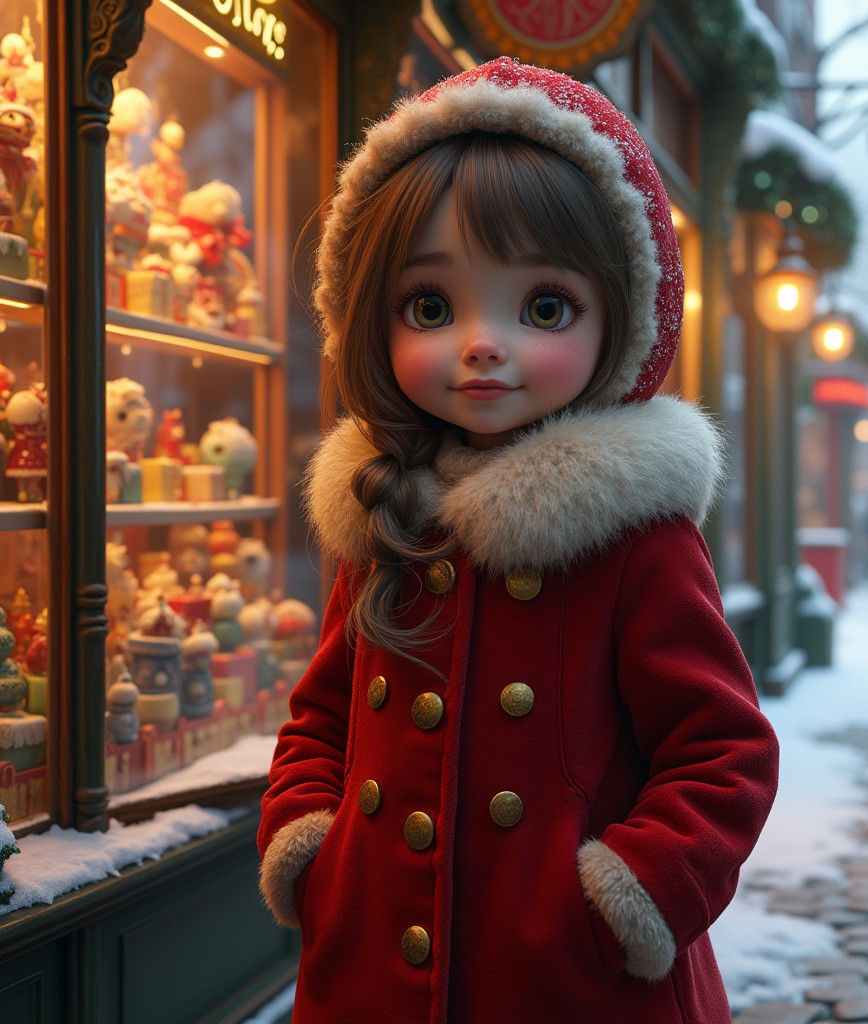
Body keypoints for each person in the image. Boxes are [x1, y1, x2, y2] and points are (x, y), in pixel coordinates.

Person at [256, 58, 779, 1024]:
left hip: (566, 983)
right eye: (431, 306)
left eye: (542, 307)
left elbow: (723, 748)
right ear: (373, 321)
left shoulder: (632, 537)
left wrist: (632, 893)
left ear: (618, 320)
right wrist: (309, 842)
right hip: (370, 970)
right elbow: (321, 715)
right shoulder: (387, 514)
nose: (481, 343)